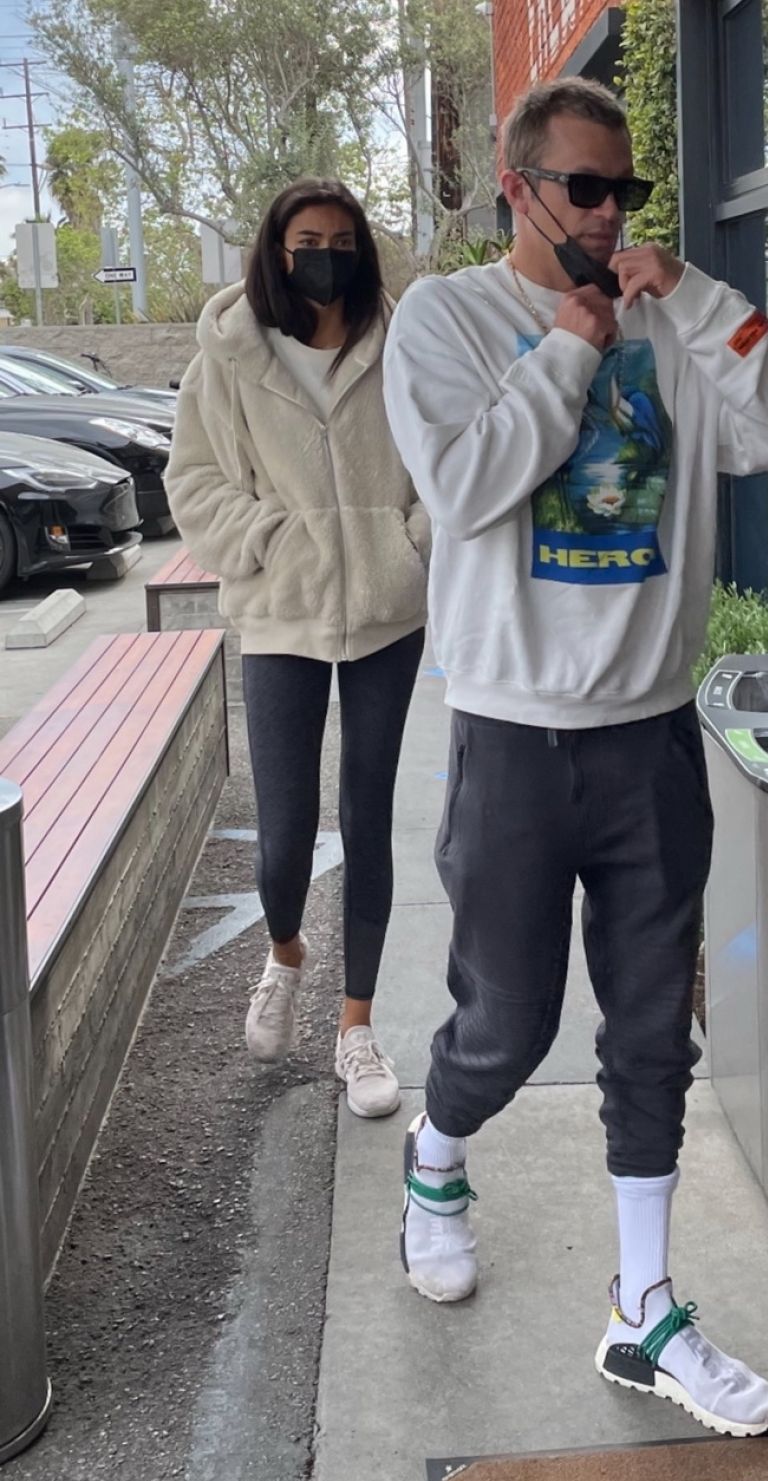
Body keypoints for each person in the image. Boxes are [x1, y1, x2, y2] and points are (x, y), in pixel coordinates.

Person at [383, 80, 768, 1436]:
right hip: (512, 737)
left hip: (650, 739)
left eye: (624, 190)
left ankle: (645, 1304)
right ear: (517, 187)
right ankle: (436, 1152)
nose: (608, 214)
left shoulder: (675, 328)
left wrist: (697, 297)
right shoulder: (447, 319)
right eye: (583, 188)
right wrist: (568, 353)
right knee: (506, 1025)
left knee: (649, 1033)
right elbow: (464, 489)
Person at [167, 178, 429, 1119]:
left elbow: (440, 458)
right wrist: (269, 540)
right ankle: (285, 952)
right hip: (282, 613)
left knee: (368, 817)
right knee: (284, 832)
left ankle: (356, 1026)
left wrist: (410, 543)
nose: (326, 255)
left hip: (387, 615)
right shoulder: (232, 350)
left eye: (342, 240)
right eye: (308, 241)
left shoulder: (398, 340)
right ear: (278, 252)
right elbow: (193, 480)